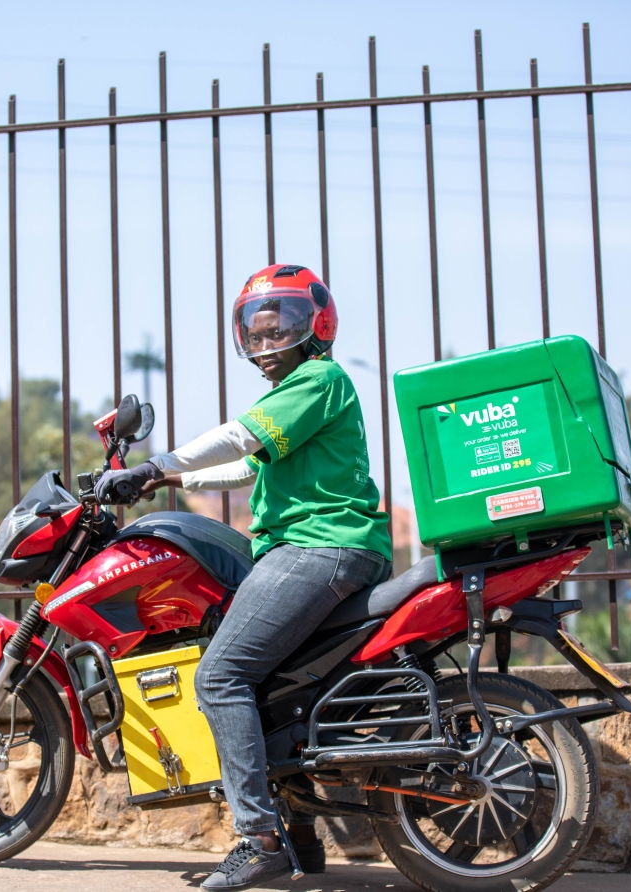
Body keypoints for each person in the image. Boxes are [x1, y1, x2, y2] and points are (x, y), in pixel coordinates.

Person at [95, 264, 392, 891]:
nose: (263, 343)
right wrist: (167, 480)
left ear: (315, 325)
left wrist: (154, 464)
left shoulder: (320, 379)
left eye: (276, 327)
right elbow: (244, 466)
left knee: (222, 675)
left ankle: (257, 838)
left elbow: (236, 439)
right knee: (268, 687)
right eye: (254, 334)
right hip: (318, 550)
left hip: (319, 549)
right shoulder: (298, 395)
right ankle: (302, 836)